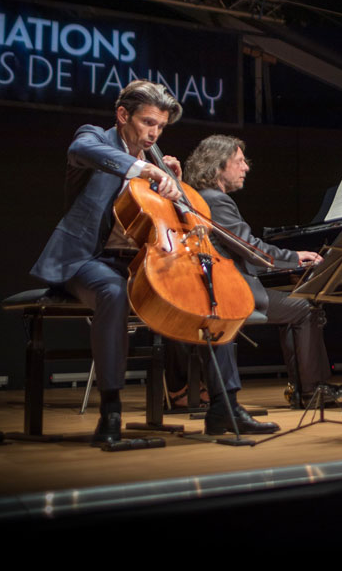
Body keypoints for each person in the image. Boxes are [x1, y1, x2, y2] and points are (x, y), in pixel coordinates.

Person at [30, 80, 278, 445]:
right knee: (113, 291)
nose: (154, 133)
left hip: (140, 261)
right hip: (87, 259)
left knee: (209, 294)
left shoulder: (155, 160)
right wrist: (147, 170)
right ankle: (111, 412)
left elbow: (167, 222)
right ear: (122, 115)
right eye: (148, 122)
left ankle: (224, 407)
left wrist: (172, 182)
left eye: (160, 126)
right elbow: (82, 150)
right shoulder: (95, 139)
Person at [184, 134, 333, 408]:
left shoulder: (203, 197)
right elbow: (250, 248)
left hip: (221, 286)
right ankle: (313, 391)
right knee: (305, 308)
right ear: (218, 164)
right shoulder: (215, 200)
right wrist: (294, 258)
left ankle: (304, 390)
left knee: (297, 307)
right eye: (239, 161)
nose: (246, 168)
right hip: (230, 293)